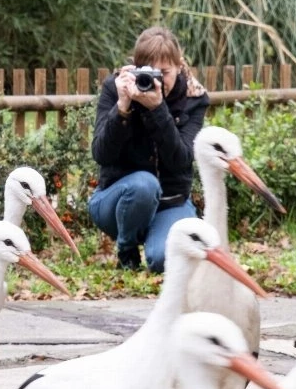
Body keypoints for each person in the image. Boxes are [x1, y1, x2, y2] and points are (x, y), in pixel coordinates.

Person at [89, 26, 209, 272]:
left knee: (164, 260)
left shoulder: (193, 97)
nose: (156, 81)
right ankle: (127, 251)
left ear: (179, 66)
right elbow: (101, 154)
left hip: (170, 203)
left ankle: (155, 239)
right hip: (118, 200)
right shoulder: (116, 87)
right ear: (136, 67)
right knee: (144, 185)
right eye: (149, 72)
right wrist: (122, 108)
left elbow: (182, 159)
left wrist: (157, 110)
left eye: (164, 72)